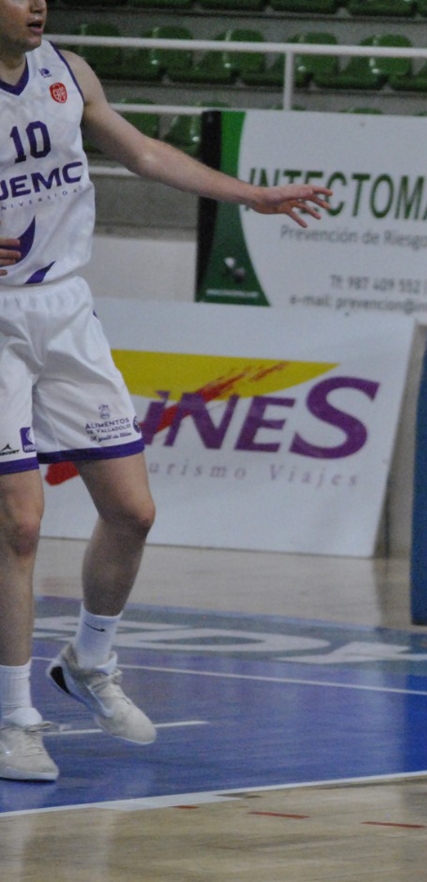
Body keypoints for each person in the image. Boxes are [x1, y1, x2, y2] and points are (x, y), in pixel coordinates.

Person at [0, 0, 332, 782]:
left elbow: (144, 154)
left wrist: (249, 195)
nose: (38, 2)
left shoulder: (67, 71)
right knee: (20, 524)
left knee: (133, 510)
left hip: (64, 308)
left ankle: (87, 662)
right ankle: (16, 718)